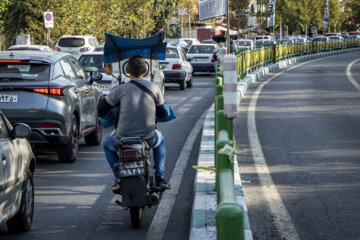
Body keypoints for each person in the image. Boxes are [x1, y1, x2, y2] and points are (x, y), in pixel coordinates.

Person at [97, 55, 171, 193]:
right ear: (145, 70)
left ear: (127, 70)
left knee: (107, 144)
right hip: (148, 138)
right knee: (160, 140)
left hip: (122, 138)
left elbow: (101, 108)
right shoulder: (155, 88)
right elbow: (162, 114)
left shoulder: (119, 90)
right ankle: (160, 177)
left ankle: (119, 177)